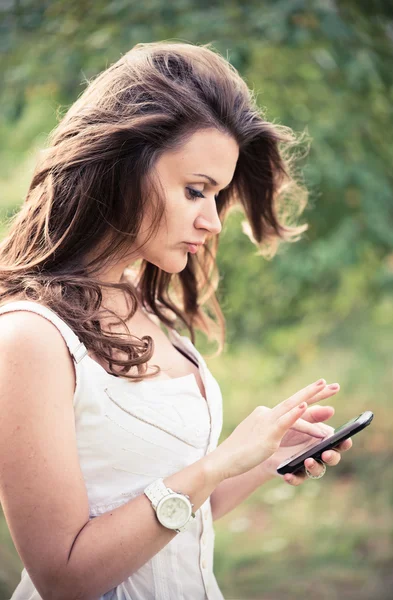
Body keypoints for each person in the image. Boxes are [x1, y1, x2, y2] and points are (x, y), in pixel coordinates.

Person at [0, 41, 352, 600]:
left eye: (216, 196)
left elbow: (178, 516)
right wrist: (215, 466)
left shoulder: (148, 307)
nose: (212, 221)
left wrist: (259, 461)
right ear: (121, 168)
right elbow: (63, 578)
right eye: (196, 191)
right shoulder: (30, 338)